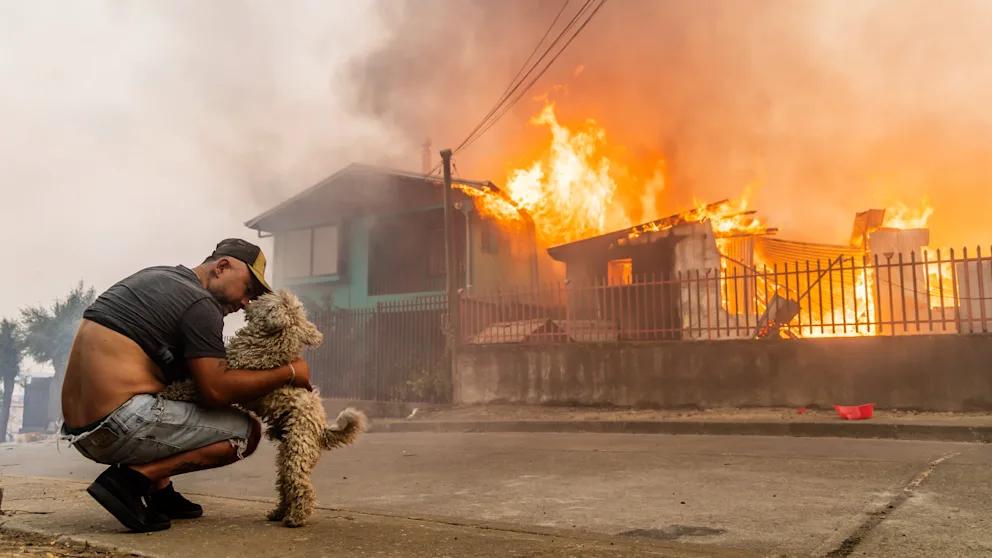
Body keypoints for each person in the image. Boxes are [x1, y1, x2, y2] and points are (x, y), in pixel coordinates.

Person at [60, 238, 312, 532]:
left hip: (81, 432)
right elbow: (216, 391)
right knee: (246, 433)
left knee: (174, 389)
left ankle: (160, 492)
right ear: (222, 267)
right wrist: (289, 372)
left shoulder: (159, 277)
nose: (247, 302)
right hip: (119, 423)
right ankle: (131, 481)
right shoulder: (200, 304)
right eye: (247, 289)